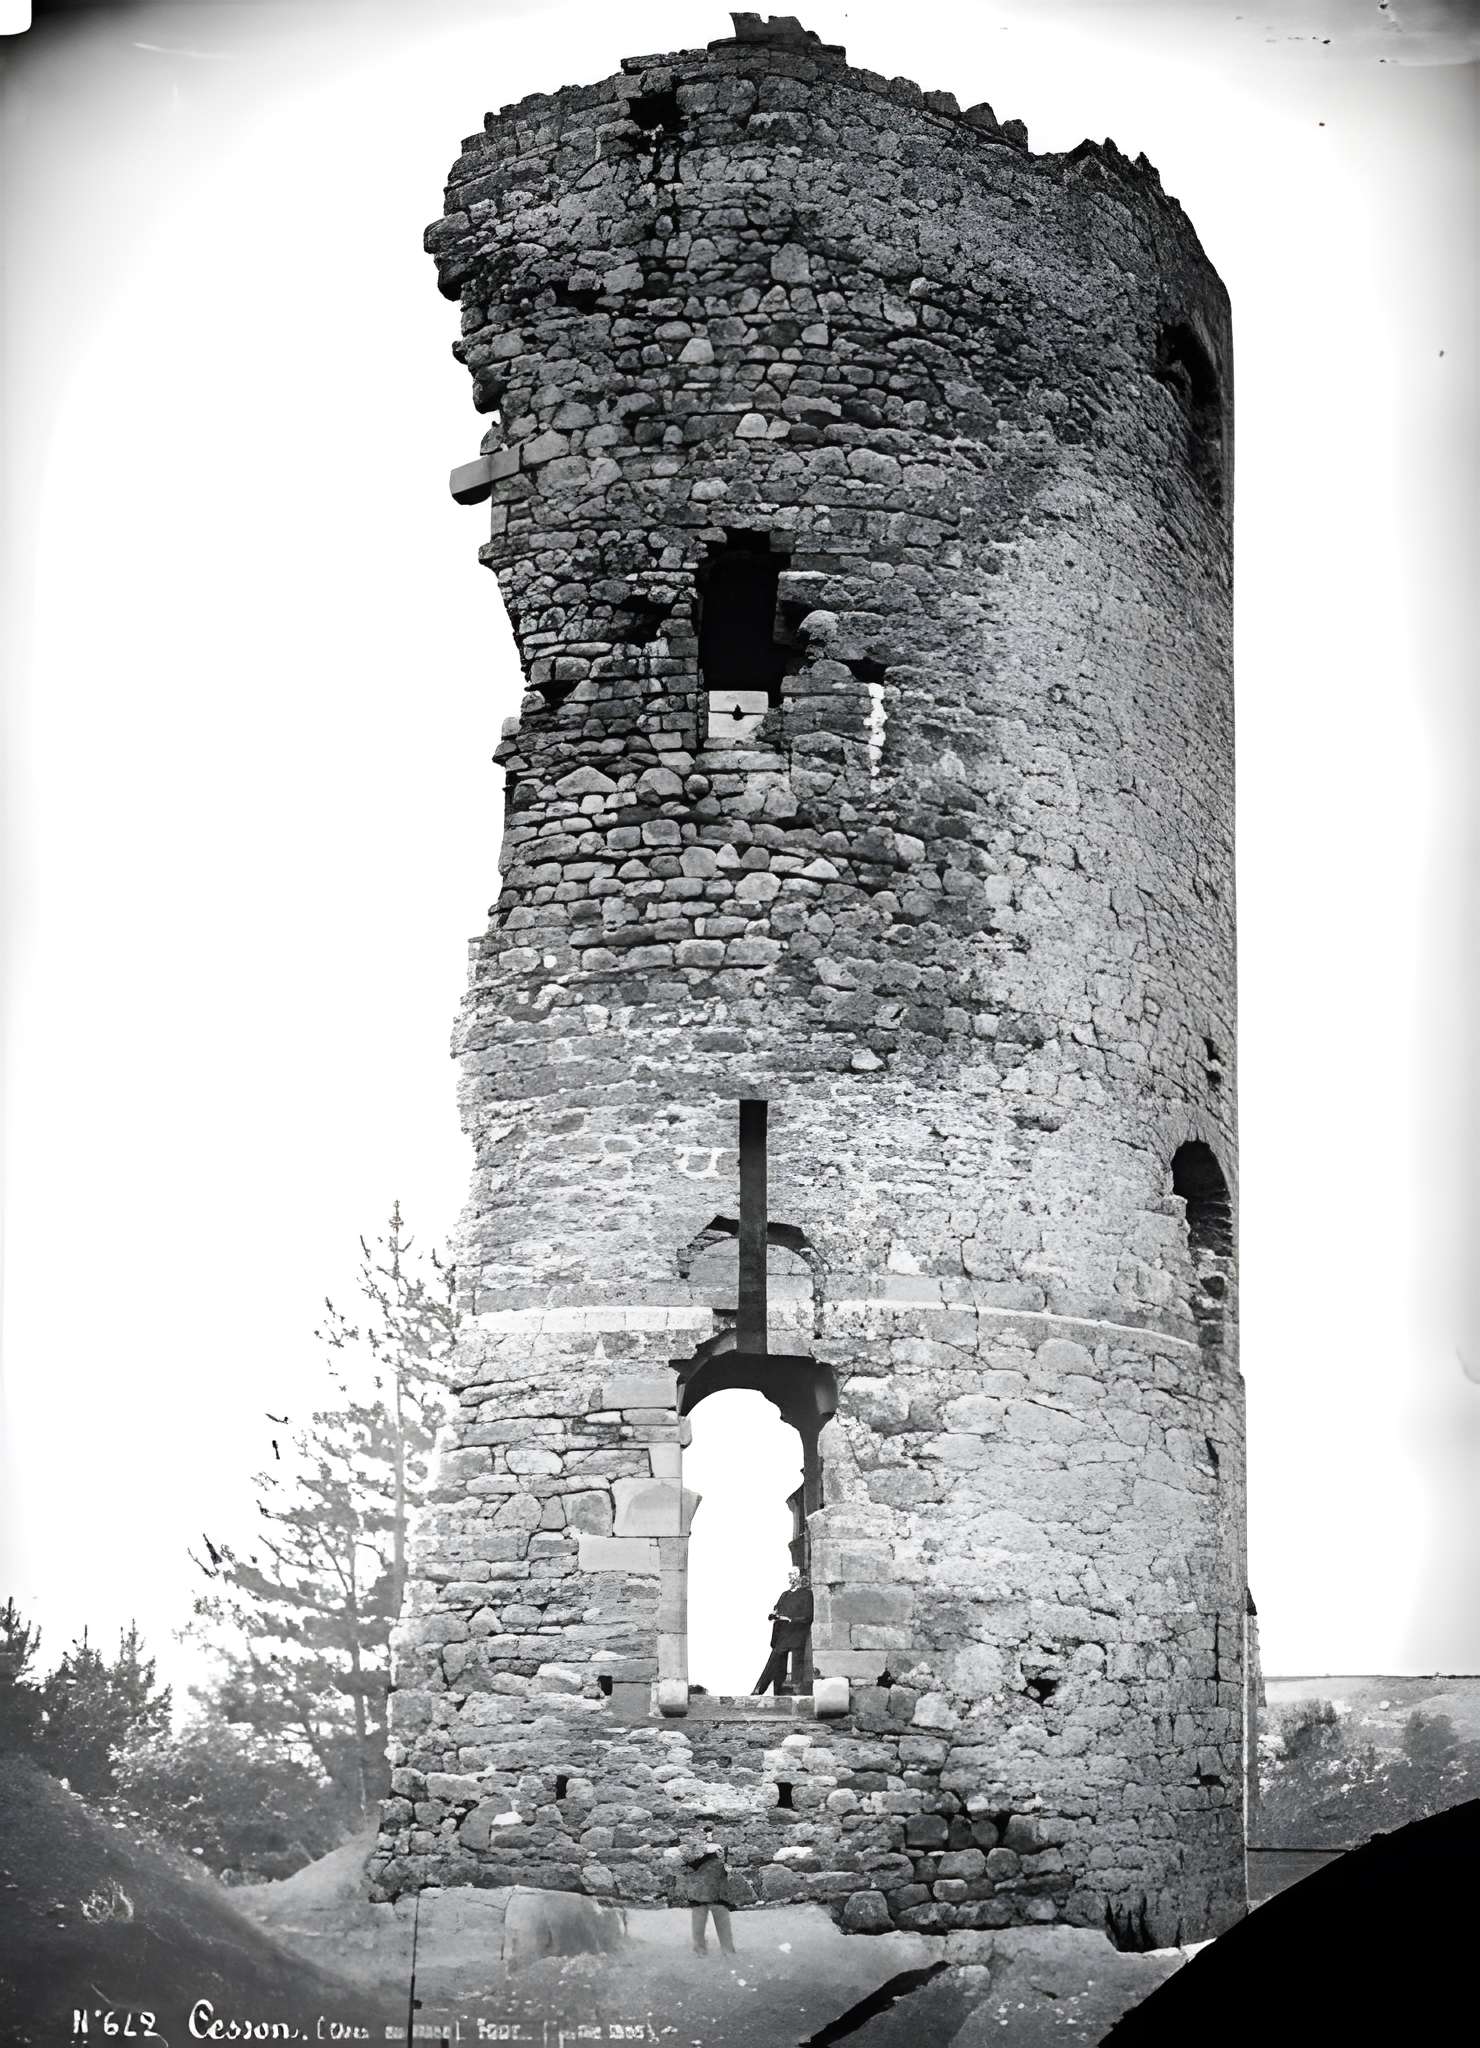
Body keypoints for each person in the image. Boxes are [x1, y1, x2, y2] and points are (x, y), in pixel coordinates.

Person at [753, 1565, 813, 1695]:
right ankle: (762, 1690)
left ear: (800, 1577)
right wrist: (774, 1615)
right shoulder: (785, 1594)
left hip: (796, 1633)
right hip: (782, 1634)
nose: (790, 1576)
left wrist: (790, 1619)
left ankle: (795, 1691)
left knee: (795, 1663)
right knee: (776, 1660)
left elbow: (807, 1617)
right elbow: (777, 1608)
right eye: (790, 1574)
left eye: (793, 1574)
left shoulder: (806, 1594)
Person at [679, 1821, 736, 1956]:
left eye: (711, 1833)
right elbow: (689, 1862)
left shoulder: (723, 1848)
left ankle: (727, 1949)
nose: (709, 1836)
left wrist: (726, 1863)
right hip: (699, 1889)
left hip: (717, 1889)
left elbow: (730, 1864)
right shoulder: (692, 1847)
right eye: (706, 1833)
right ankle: (700, 1950)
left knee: (722, 1919)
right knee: (699, 1921)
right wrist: (703, 1852)